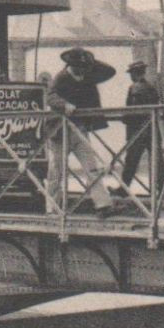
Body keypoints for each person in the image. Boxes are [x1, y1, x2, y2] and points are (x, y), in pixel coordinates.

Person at [47, 47, 118, 215]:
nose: (83, 70)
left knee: (91, 167)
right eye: (80, 66)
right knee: (56, 170)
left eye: (85, 67)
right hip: (60, 131)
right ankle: (52, 207)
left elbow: (109, 71)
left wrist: (91, 62)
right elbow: (49, 97)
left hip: (80, 129)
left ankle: (102, 204)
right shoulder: (61, 78)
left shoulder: (87, 76)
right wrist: (64, 105)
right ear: (71, 65)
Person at [119, 59, 164, 193]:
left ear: (134, 74)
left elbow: (134, 109)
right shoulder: (151, 87)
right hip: (152, 128)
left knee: (131, 160)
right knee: (158, 159)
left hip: (138, 130)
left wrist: (125, 118)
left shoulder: (135, 88)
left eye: (131, 73)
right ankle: (163, 188)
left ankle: (123, 189)